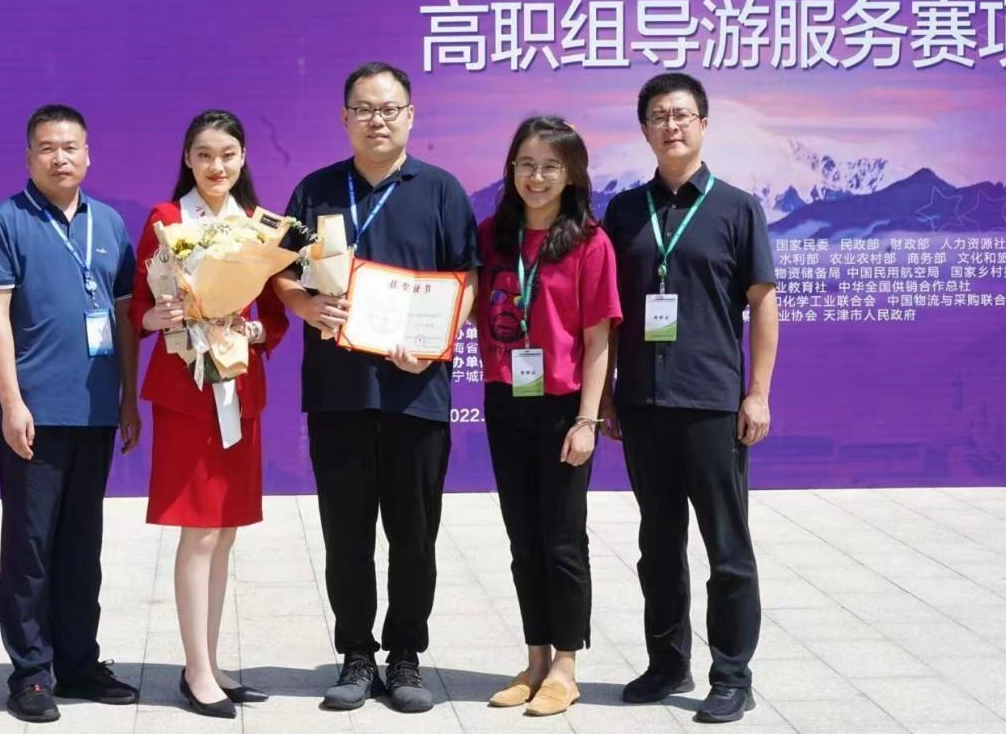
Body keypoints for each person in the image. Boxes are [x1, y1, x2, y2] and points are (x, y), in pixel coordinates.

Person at [272, 62, 479, 714]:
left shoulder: (441, 190)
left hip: (417, 392)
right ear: (345, 118)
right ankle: (357, 655)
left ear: (411, 116)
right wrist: (304, 306)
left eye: (389, 109)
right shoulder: (315, 190)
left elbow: (468, 280)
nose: (377, 120)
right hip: (339, 392)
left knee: (414, 534)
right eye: (364, 109)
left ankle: (407, 654)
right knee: (347, 533)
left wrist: (437, 338)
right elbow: (279, 272)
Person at [600, 72, 779, 725]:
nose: (670, 126)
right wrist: (608, 395)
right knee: (658, 545)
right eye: (658, 116)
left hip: (711, 404)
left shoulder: (737, 208)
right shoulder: (624, 212)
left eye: (681, 115)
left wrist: (757, 394)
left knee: (727, 547)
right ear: (645, 129)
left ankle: (732, 675)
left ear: (703, 124)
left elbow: (763, 305)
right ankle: (667, 663)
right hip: (643, 404)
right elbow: (609, 313)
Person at [0, 105, 143, 724]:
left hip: (95, 410)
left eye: (71, 146)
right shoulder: (4, 221)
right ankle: (31, 673)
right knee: (31, 545)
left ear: (88, 155)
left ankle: (77, 663)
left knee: (81, 544)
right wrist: (11, 401)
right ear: (29, 157)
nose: (60, 157)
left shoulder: (110, 222)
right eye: (47, 147)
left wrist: (128, 398)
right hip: (35, 412)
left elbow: (123, 318)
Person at [130, 110, 290, 719]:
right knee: (198, 530)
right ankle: (195, 670)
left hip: (238, 387)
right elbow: (139, 306)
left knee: (224, 532)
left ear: (243, 157)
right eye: (203, 155)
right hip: (187, 390)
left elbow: (273, 313)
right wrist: (158, 317)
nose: (215, 166)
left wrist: (250, 330)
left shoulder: (260, 226)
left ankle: (212, 662)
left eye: (226, 154)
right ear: (187, 160)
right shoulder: (167, 221)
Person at [474, 116, 620, 717]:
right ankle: (534, 658)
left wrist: (587, 421)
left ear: (572, 175)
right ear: (511, 168)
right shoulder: (492, 235)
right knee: (522, 537)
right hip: (505, 398)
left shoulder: (589, 242)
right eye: (527, 164)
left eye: (551, 167)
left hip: (563, 406)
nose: (537, 178)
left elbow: (598, 339)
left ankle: (565, 665)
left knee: (562, 538)